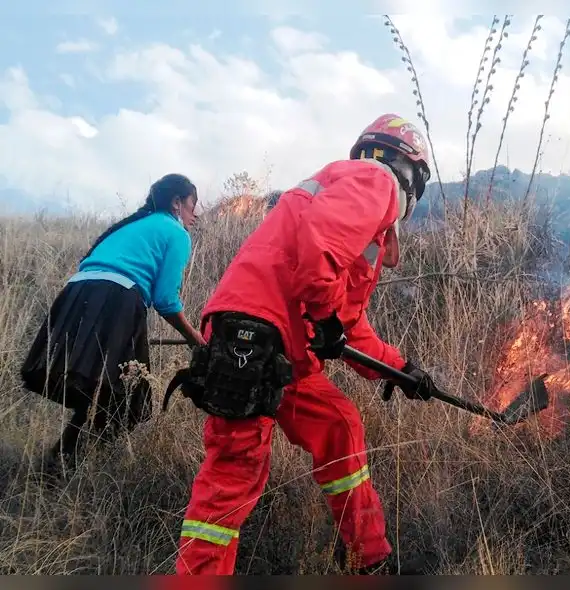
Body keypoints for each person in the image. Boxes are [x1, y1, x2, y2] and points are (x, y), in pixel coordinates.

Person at [167, 113, 437, 575]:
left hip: (282, 347)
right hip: (254, 336)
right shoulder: (376, 180)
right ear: (410, 171)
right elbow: (320, 254)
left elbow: (348, 322)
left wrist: (401, 369)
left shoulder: (352, 197)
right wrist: (323, 316)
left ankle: (368, 556)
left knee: (338, 423)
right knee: (235, 472)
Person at [20, 173, 206, 473]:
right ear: (176, 203)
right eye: (193, 205)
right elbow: (165, 299)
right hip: (116, 299)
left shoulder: (132, 225)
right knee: (128, 397)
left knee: (101, 388)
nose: (195, 215)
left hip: (76, 294)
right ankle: (70, 466)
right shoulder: (176, 232)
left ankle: (59, 463)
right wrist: (194, 337)